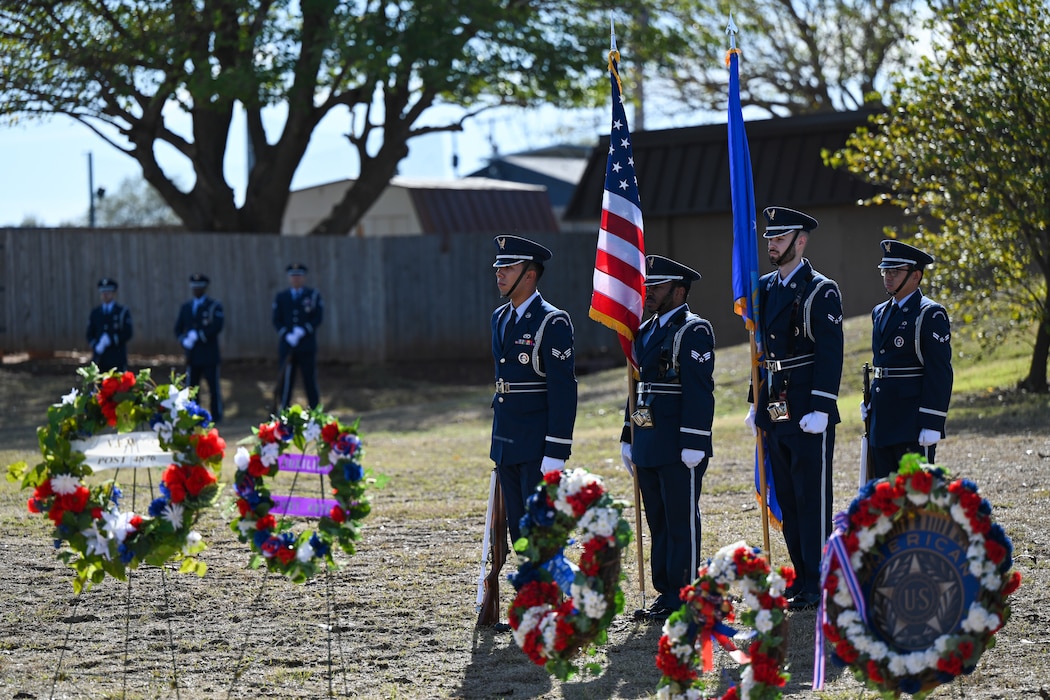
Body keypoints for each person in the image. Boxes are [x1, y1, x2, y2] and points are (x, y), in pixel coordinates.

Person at [744, 206, 843, 611]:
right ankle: (802, 576)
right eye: (769, 238)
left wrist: (822, 405)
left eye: (780, 239)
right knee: (785, 492)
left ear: (800, 241)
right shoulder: (765, 288)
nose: (772, 245)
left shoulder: (822, 290)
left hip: (806, 406)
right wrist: (756, 403)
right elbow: (761, 351)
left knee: (811, 496)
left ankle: (819, 578)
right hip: (776, 403)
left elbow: (831, 353)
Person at [619, 255, 715, 622]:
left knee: (680, 519)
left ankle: (686, 592)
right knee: (657, 520)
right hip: (648, 441)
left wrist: (695, 440)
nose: (648, 294)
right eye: (648, 287)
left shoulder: (694, 330)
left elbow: (699, 391)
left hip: (678, 443)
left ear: (679, 290)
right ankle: (665, 592)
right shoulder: (644, 331)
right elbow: (636, 386)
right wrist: (628, 434)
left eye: (656, 288)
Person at [489, 235, 577, 547]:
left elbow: (563, 392)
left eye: (508, 268)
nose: (498, 273)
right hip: (507, 440)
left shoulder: (552, 321)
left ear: (530, 274)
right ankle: (532, 592)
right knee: (518, 532)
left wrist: (556, 450)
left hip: (537, 443)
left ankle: (552, 593)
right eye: (498, 267)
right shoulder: (499, 318)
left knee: (542, 526)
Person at [863, 240, 953, 479]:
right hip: (882, 419)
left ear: (916, 275)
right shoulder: (880, 312)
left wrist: (933, 421)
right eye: (885, 271)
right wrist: (871, 401)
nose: (888, 277)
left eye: (895, 271)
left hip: (910, 421)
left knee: (914, 496)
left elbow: (939, 372)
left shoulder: (929, 314)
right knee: (883, 494)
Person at [174, 273, 225, 424]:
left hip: (209, 354)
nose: (197, 290)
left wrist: (200, 335)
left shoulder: (213, 305)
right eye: (194, 288)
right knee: (192, 388)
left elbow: (217, 326)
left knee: (213, 388)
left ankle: (216, 416)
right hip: (193, 355)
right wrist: (184, 340)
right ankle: (194, 415)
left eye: (200, 288)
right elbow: (178, 329)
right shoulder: (186, 307)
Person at [272, 263, 324, 409]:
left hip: (306, 345)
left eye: (299, 275)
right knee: (286, 380)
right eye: (293, 276)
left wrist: (303, 330)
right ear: (289, 278)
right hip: (288, 346)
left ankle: (315, 412)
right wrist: (286, 334)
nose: (296, 279)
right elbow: (276, 319)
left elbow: (317, 317)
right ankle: (284, 412)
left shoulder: (312, 295)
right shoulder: (282, 297)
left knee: (309, 380)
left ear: (303, 277)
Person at [86, 277, 133, 371]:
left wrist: (111, 340)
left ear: (113, 293)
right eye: (103, 292)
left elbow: (128, 333)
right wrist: (96, 345)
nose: (105, 295)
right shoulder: (95, 313)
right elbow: (89, 333)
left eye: (108, 292)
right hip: (100, 359)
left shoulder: (122, 312)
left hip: (117, 358)